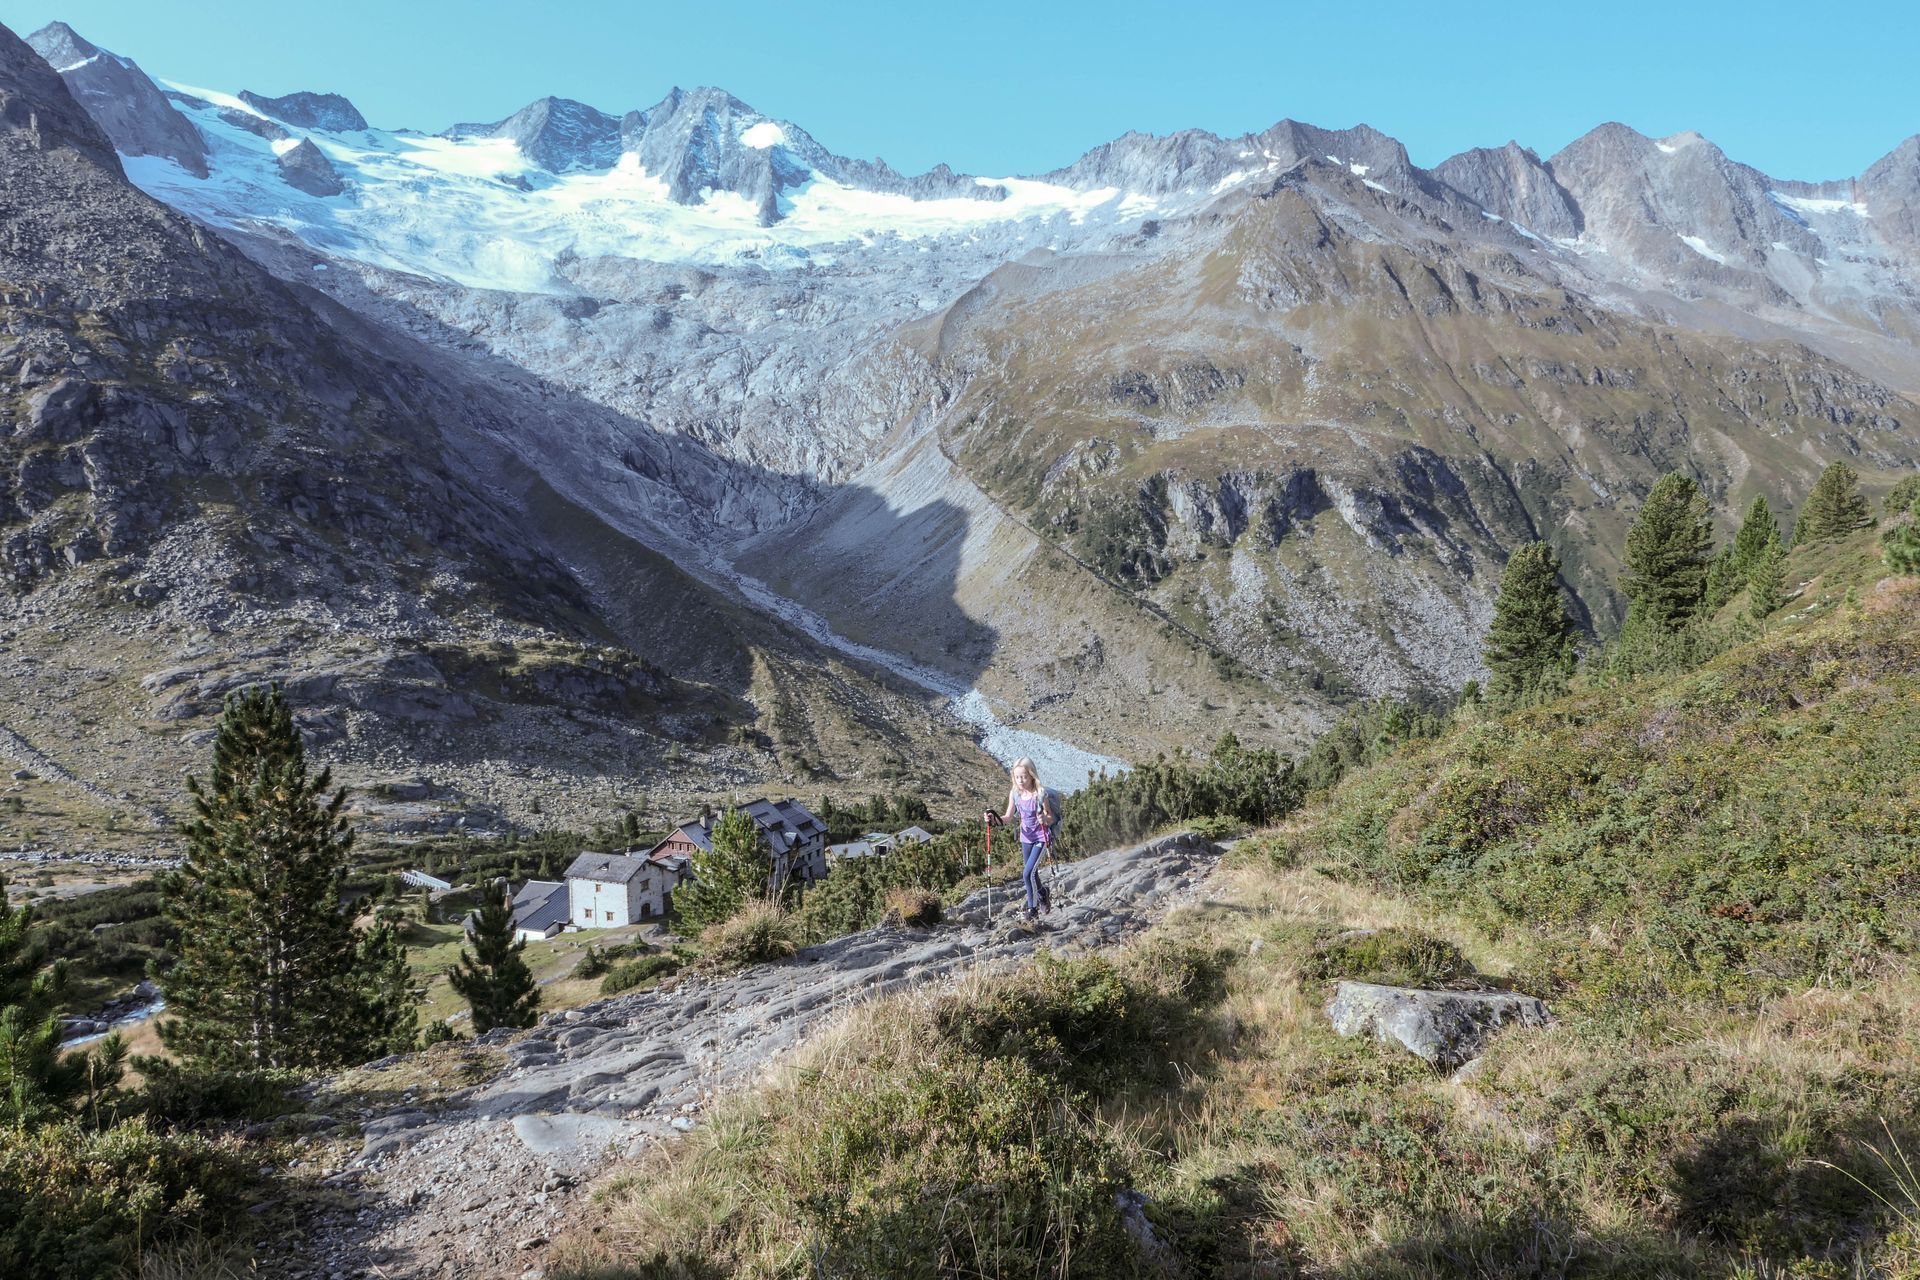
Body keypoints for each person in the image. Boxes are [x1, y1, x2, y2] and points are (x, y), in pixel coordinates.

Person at [985, 757, 1060, 919]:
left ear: (1031, 775)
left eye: (1024, 776)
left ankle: (1032, 909)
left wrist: (1044, 819)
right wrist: (993, 819)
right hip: (1025, 838)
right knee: (1032, 873)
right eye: (1017, 777)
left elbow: (1051, 818)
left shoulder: (1040, 794)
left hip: (1041, 837)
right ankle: (1042, 893)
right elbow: (1008, 817)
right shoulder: (1015, 793)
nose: (1021, 780)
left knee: (1027, 874)